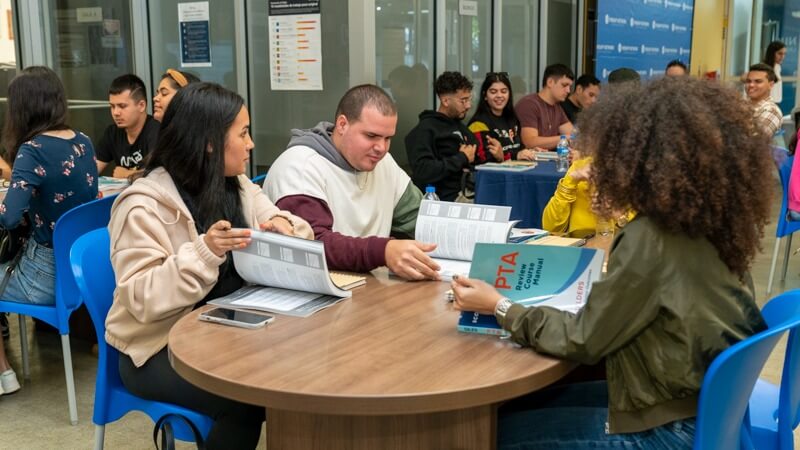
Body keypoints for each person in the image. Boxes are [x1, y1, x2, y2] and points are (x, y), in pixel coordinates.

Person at [451, 77, 771, 449]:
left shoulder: (651, 237)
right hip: (699, 409)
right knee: (517, 408)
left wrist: (499, 305)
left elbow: (583, 339)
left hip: (667, 429)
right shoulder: (710, 222)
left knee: (489, 433)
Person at [105, 83, 312, 449]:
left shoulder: (236, 184)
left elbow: (282, 219)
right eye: (243, 133)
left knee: (304, 370)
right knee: (245, 400)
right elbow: (142, 297)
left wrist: (285, 227)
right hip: (157, 349)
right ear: (210, 142)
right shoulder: (143, 205)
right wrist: (204, 252)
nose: (250, 144)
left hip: (226, 332)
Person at [264, 84, 440, 281]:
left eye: (388, 138)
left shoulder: (383, 163)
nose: (381, 148)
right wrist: (383, 251)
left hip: (365, 287)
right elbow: (313, 245)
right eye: (371, 136)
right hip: (310, 292)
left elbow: (420, 220)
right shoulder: (300, 166)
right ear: (342, 125)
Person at [0, 66, 100, 392]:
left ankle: (4, 373)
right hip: (81, 273)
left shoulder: (32, 150)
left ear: (22, 108)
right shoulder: (83, 142)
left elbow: (9, 218)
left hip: (43, 276)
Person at [406, 71, 479, 201]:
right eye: (463, 100)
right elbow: (422, 170)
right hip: (445, 200)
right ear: (445, 100)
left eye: (469, 99)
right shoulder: (425, 130)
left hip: (470, 191)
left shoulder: (462, 128)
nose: (468, 105)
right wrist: (461, 158)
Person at [96, 74, 160, 178]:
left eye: (122, 106)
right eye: (112, 106)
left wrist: (127, 174)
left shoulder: (156, 130)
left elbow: (159, 174)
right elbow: (92, 171)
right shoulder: (112, 133)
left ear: (141, 106)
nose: (116, 112)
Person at [467, 72, 524, 163]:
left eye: (504, 91)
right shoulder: (478, 124)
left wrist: (530, 151)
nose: (499, 96)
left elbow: (519, 147)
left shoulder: (512, 118)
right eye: (493, 92)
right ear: (485, 96)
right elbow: (483, 159)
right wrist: (513, 156)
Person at [515, 64, 574, 150]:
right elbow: (530, 142)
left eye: (570, 86)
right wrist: (564, 138)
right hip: (528, 161)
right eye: (564, 85)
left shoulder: (557, 107)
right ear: (550, 82)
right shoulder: (529, 104)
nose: (568, 90)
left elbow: (573, 134)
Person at [746, 63, 783, 137]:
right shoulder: (741, 105)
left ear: (771, 85)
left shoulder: (772, 111)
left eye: (758, 81)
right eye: (748, 81)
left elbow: (757, 141)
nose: (751, 85)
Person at [763, 40, 786, 105]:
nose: (783, 57)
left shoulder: (778, 67)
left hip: (776, 102)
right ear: (772, 53)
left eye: (784, 54)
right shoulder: (763, 67)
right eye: (780, 53)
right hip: (768, 103)